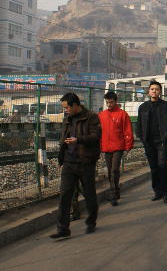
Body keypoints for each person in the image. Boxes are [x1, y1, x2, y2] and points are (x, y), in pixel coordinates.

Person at [51, 92, 101, 239]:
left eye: (66, 107)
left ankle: (91, 221)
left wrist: (78, 139)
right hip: (69, 162)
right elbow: (63, 139)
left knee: (89, 193)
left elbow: (96, 136)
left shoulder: (91, 117)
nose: (65, 110)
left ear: (74, 105)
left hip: (86, 161)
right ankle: (63, 228)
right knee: (65, 194)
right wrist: (61, 159)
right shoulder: (67, 119)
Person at [135, 81, 167, 204]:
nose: (154, 91)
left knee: (162, 165)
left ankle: (166, 193)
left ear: (160, 92)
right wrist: (142, 138)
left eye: (157, 89)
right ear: (149, 91)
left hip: (162, 141)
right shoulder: (143, 107)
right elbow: (139, 125)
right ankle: (157, 192)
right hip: (149, 142)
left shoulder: (166, 106)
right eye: (152, 89)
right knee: (153, 167)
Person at [98, 91, 133, 206]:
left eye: (111, 102)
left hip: (118, 146)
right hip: (106, 147)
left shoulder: (122, 114)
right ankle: (116, 191)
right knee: (110, 171)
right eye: (107, 102)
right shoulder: (102, 115)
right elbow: (99, 132)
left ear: (115, 101)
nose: (109, 104)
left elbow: (127, 131)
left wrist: (128, 146)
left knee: (114, 170)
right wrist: (100, 146)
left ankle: (113, 193)